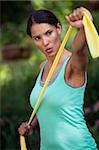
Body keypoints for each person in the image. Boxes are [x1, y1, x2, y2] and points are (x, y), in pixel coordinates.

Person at [18, 7, 98, 150]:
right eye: (37, 38)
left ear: (59, 28)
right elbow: (46, 102)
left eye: (49, 33)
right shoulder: (42, 67)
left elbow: (78, 50)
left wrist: (85, 26)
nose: (45, 42)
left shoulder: (72, 65)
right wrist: (32, 125)